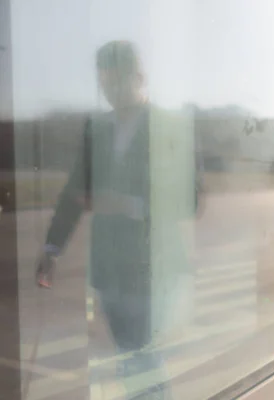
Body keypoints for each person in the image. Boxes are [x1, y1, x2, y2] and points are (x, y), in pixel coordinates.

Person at [35, 40, 201, 400]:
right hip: (110, 267)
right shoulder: (98, 128)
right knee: (131, 354)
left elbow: (190, 198)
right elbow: (73, 193)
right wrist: (52, 247)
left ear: (139, 78)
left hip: (153, 267)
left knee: (141, 353)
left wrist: (129, 204)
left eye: (116, 83)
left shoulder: (170, 126)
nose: (109, 92)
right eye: (104, 85)